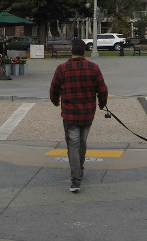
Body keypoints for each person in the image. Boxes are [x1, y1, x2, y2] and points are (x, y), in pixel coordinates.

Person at [49, 39, 108, 193]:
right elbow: (102, 90)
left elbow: (54, 89)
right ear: (85, 51)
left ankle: (76, 179)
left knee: (73, 144)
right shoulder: (93, 68)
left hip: (70, 113)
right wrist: (102, 104)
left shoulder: (62, 69)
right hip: (88, 113)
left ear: (71, 51)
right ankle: (79, 168)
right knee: (82, 141)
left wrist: (55, 101)